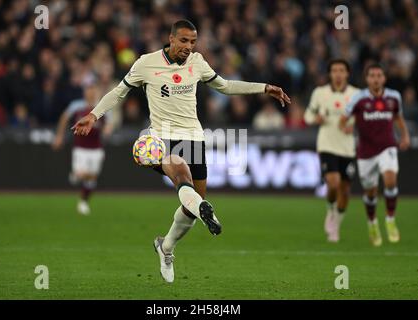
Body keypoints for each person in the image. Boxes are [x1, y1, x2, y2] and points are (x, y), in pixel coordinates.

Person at [71, 20, 291, 282]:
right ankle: (203, 210)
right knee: (180, 172)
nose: (189, 47)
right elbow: (119, 93)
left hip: (194, 139)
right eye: (184, 41)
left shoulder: (197, 62)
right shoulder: (146, 63)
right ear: (171, 39)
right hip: (161, 138)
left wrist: (264, 87)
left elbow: (225, 86)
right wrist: (93, 116)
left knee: (191, 209)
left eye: (193, 42)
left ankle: (166, 247)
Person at [340, 63, 410, 246]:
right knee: (370, 193)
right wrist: (346, 127)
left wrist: (404, 136)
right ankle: (372, 222)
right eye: (372, 76)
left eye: (379, 75)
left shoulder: (394, 97)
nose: (376, 79)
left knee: (390, 180)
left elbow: (398, 118)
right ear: (367, 79)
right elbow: (343, 119)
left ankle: (390, 219)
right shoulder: (358, 99)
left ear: (384, 78)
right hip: (365, 152)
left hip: (388, 146)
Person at [304, 59, 359, 242]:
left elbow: (363, 119)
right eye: (334, 70)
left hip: (347, 148)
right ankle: (330, 211)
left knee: (345, 191)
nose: (338, 74)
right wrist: (316, 119)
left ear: (347, 74)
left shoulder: (356, 94)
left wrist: (355, 126)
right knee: (333, 183)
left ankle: (337, 223)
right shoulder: (320, 93)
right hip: (327, 145)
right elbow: (308, 115)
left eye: (341, 70)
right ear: (329, 74)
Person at [53, 84, 114, 215]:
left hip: (96, 148)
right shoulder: (77, 105)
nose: (91, 93)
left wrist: (108, 129)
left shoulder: (101, 106)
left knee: (92, 179)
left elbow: (109, 122)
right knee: (82, 174)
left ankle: (83, 201)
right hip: (80, 148)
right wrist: (59, 136)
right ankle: (76, 176)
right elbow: (64, 118)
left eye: (93, 90)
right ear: (85, 92)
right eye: (88, 90)